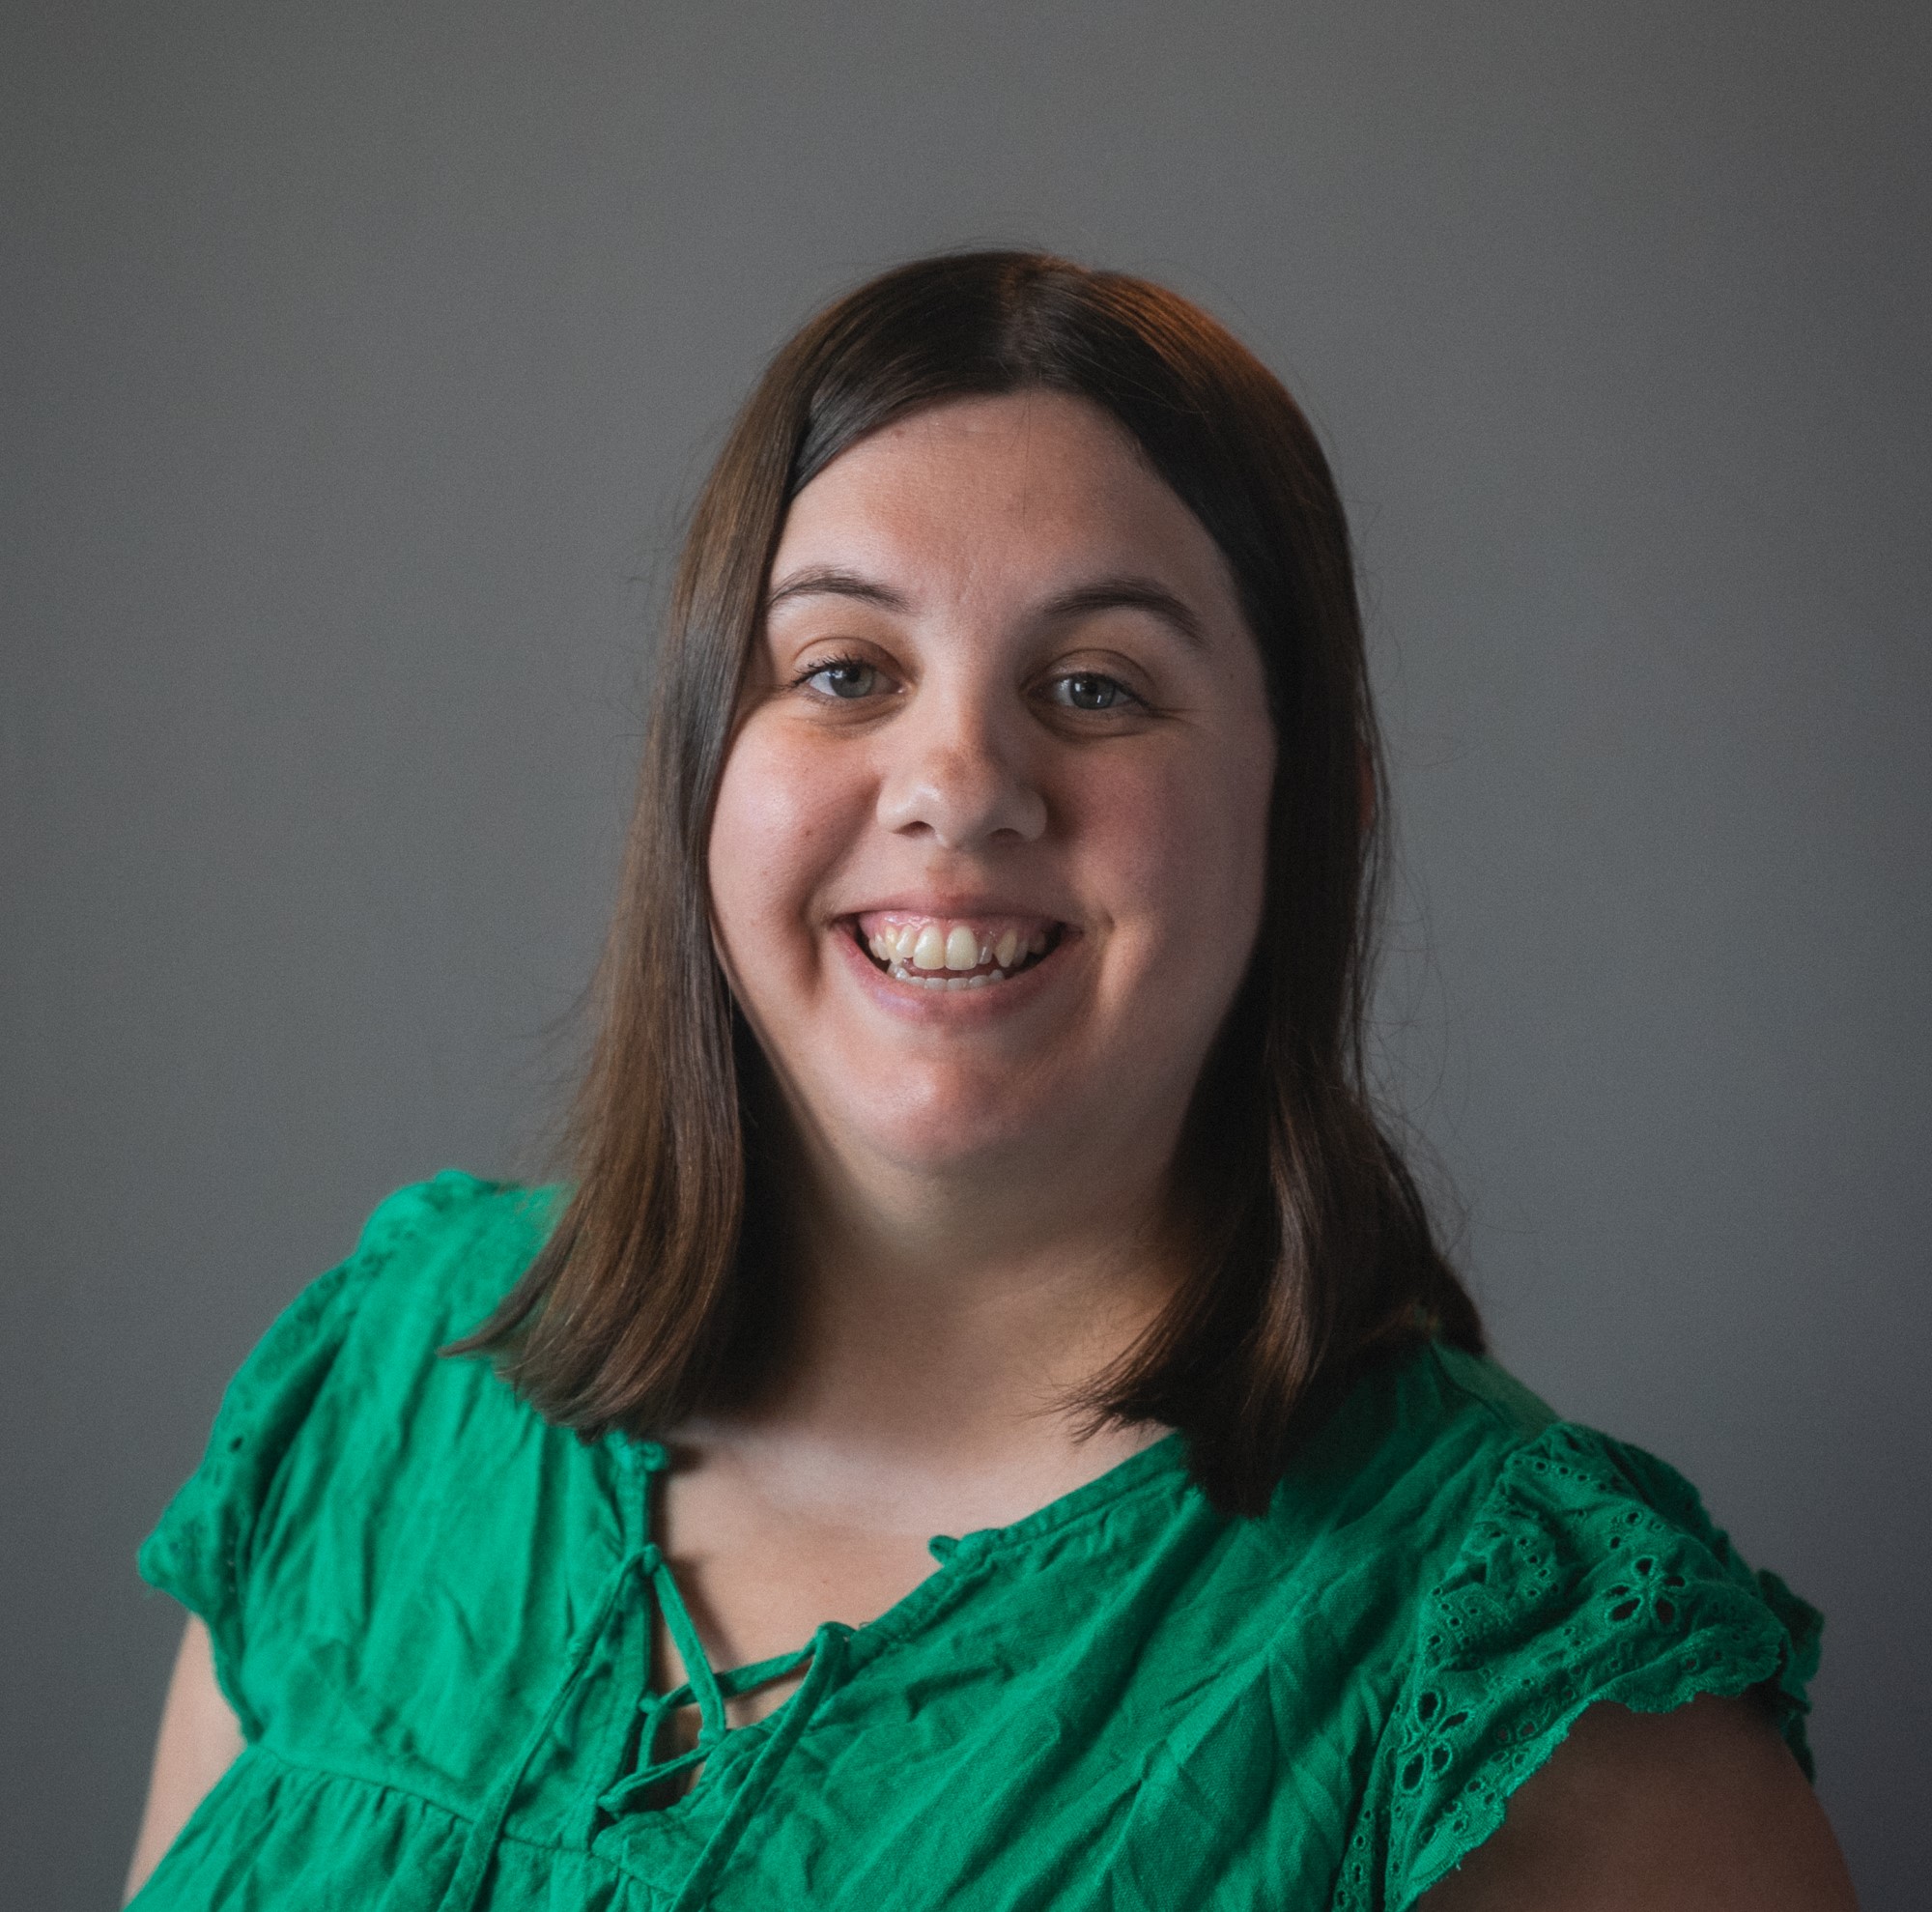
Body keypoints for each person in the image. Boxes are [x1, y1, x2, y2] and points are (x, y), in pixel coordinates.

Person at [124, 251, 1857, 1910]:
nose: (959, 784)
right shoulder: (382, 1384)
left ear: (1314, 808)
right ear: (701, 775)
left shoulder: (1526, 1689)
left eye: (1097, 686)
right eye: (844, 672)